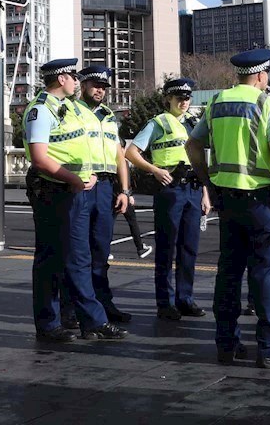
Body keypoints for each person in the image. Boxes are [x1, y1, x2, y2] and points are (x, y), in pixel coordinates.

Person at [187, 48, 270, 369]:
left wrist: (208, 182)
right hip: (260, 200)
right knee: (265, 275)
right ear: (262, 76)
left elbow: (192, 145)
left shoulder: (216, 102)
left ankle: (226, 343)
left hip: (228, 199)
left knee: (228, 273)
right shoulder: (265, 104)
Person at [23, 58, 127, 343]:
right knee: (52, 258)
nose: (76, 82)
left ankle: (86, 321)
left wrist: (86, 175)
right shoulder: (41, 110)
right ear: (62, 79)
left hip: (73, 189)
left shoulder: (67, 108)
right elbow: (40, 158)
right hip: (53, 190)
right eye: (73, 77)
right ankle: (53, 324)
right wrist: (74, 179)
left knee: (76, 257)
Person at [126, 77, 208, 320]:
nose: (184, 102)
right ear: (168, 99)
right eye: (179, 98)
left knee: (189, 247)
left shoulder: (194, 123)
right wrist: (154, 170)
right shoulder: (158, 123)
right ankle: (165, 303)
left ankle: (185, 299)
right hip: (170, 189)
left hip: (193, 188)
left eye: (187, 98)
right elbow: (131, 152)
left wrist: (205, 193)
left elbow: (200, 160)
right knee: (166, 247)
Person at [77, 65, 134, 325]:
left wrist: (124, 190)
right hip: (82, 185)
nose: (100, 91)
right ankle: (72, 308)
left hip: (106, 188)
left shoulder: (109, 116)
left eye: (103, 87)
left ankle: (103, 304)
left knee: (101, 251)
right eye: (95, 85)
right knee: (78, 252)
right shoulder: (73, 111)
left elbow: (119, 155)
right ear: (83, 85)